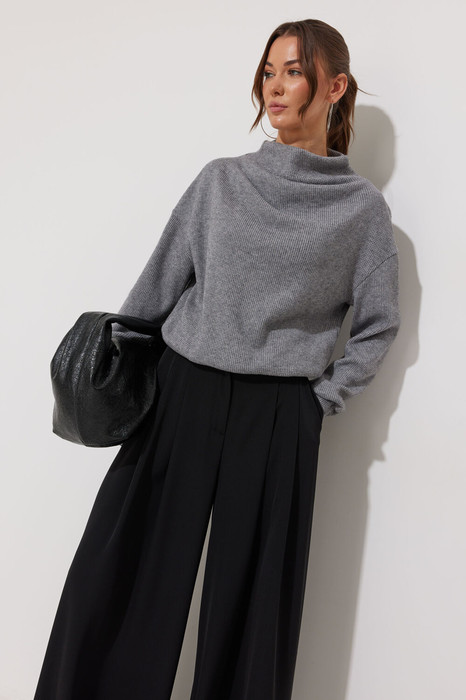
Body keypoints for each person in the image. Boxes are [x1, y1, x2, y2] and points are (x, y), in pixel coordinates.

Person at [33, 18, 400, 700]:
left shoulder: (361, 213)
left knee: (254, 606)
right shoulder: (221, 182)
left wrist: (320, 399)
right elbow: (158, 287)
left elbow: (379, 326)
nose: (275, 87)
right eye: (269, 72)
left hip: (279, 414)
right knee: (123, 577)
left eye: (293, 71)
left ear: (335, 87)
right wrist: (118, 368)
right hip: (182, 392)